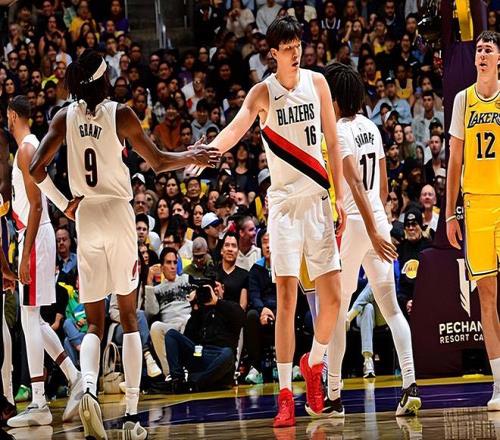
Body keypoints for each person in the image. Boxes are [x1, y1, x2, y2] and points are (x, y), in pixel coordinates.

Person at [29, 50, 219, 440]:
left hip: (86, 215)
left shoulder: (64, 117)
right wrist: (192, 154)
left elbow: (35, 169)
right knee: (130, 318)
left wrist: (64, 203)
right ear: (103, 80)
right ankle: (132, 416)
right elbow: (159, 161)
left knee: (94, 323)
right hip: (117, 213)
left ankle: (88, 389)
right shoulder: (121, 114)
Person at [202, 16, 347, 427]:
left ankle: (314, 363)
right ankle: (285, 394)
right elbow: (236, 128)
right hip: (283, 207)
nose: (295, 53)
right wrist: (208, 152)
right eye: (287, 48)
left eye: (298, 45)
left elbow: (332, 141)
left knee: (334, 298)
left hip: (317, 200)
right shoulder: (262, 92)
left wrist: (338, 196)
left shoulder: (318, 83)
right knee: (286, 299)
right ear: (273, 54)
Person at [323, 63, 419, 418]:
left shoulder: (339, 130)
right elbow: (382, 186)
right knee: (391, 309)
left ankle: (333, 396)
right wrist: (381, 225)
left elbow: (356, 184)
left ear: (335, 98)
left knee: (337, 311)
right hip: (377, 217)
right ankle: (410, 385)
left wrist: (371, 231)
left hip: (356, 224)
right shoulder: (371, 127)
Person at [6, 96, 83, 428]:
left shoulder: (26, 148)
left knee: (29, 318)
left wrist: (25, 255)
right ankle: (74, 377)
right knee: (32, 320)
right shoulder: (31, 145)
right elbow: (44, 191)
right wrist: (65, 205)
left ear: (12, 116)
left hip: (35, 235)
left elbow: (36, 205)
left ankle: (39, 400)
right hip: (36, 235)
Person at [446, 30, 500, 412]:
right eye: (479, 49)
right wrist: (450, 211)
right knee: (487, 298)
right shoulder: (463, 100)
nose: (481, 54)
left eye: (488, 49)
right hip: (477, 205)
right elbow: (454, 160)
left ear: (499, 59)